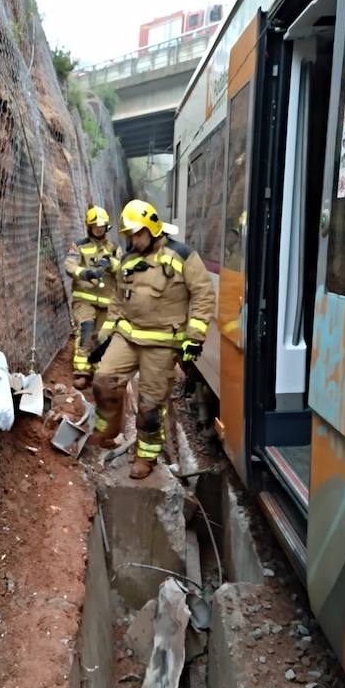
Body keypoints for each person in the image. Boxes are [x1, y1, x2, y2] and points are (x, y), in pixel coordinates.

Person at [91, 199, 215, 479]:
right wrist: (107, 333)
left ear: (152, 227)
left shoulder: (181, 256)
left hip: (162, 343)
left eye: (137, 233)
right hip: (128, 335)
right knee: (104, 380)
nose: (133, 240)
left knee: (150, 403)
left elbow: (203, 295)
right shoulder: (127, 259)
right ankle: (108, 430)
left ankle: (146, 456)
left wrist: (194, 337)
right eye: (129, 235)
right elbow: (117, 299)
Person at [64, 204, 121, 389]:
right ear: (89, 226)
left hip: (107, 302)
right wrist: (85, 273)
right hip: (84, 298)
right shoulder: (79, 246)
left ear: (106, 227)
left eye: (102, 226)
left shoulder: (114, 249)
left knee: (102, 335)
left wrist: (111, 264)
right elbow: (70, 266)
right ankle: (81, 372)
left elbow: (124, 271)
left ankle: (98, 370)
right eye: (95, 225)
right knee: (86, 329)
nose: (99, 229)